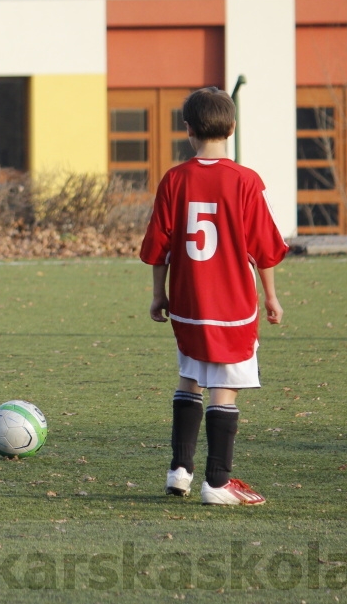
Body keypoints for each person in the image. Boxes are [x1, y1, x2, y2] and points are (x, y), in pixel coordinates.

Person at [140, 87, 288, 505]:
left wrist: (158, 295)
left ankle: (179, 472)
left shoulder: (175, 179)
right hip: (233, 308)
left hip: (188, 305)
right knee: (225, 389)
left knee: (189, 379)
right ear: (232, 128)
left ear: (187, 129)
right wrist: (272, 296)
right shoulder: (245, 181)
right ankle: (218, 482)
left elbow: (159, 246)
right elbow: (264, 247)